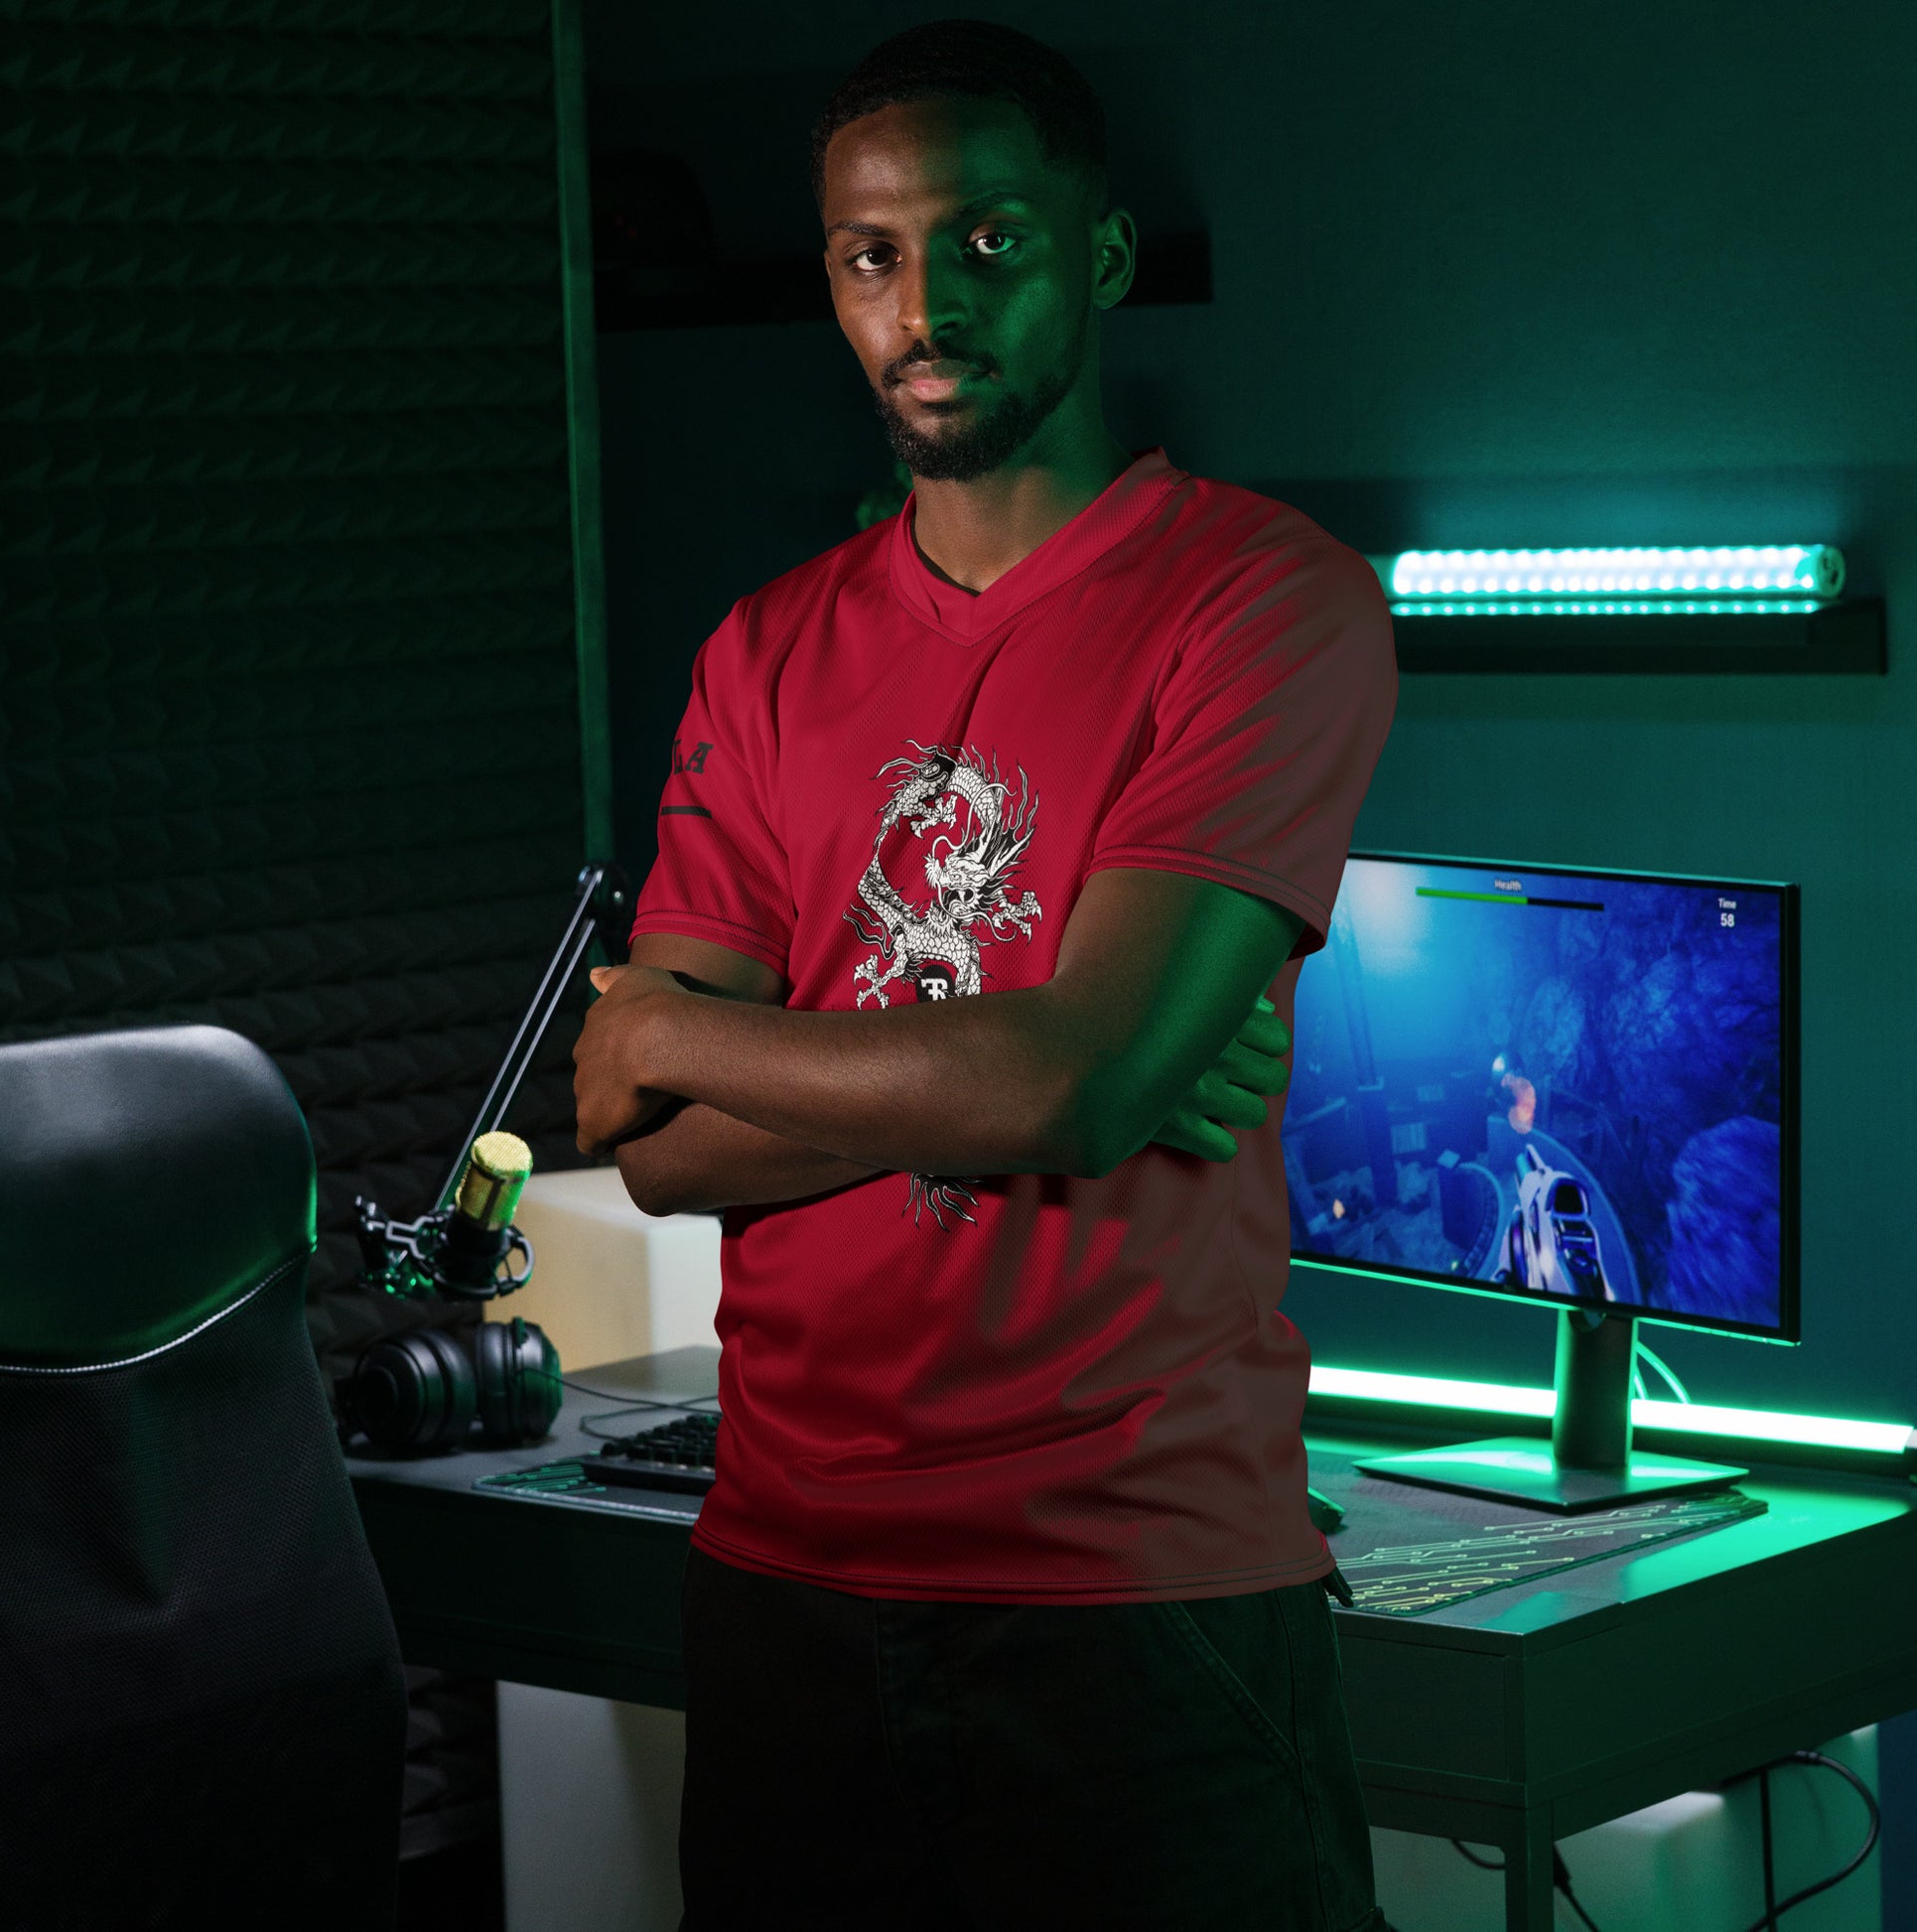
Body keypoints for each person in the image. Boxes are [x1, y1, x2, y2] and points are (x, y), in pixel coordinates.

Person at [573, 20, 1397, 1930]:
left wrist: (695, 1025)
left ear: (1097, 255)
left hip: (1134, 1597)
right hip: (784, 1583)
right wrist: (1034, 1059)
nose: (923, 306)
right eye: (869, 255)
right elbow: (661, 1148)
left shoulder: (1261, 601)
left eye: (986, 242)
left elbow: (1063, 1084)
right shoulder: (763, 650)